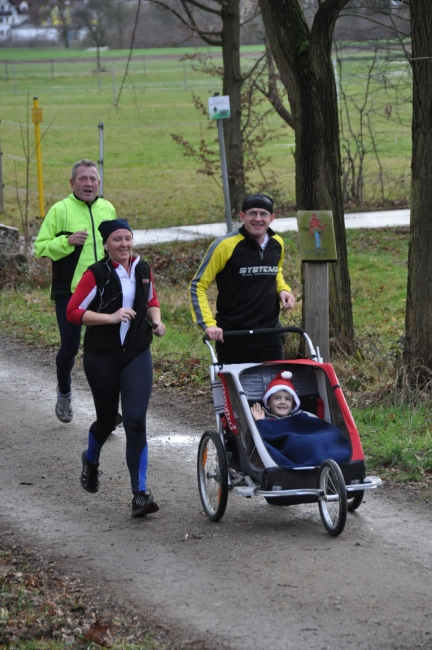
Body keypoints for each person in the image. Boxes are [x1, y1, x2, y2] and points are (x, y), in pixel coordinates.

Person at [66, 219, 166, 518]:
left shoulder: (142, 268)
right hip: (102, 356)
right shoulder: (95, 273)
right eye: (117, 240)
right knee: (107, 420)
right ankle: (91, 458)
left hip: (137, 354)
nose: (124, 244)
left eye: (127, 238)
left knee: (135, 421)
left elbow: (151, 299)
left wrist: (157, 320)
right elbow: (73, 312)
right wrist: (110, 317)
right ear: (106, 245)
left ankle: (140, 494)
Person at [34, 159, 116, 424]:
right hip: (70, 292)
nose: (88, 183)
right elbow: (40, 247)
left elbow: (116, 245)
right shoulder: (60, 210)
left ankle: (108, 410)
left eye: (93, 179)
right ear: (72, 183)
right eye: (83, 179)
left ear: (99, 183)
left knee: (107, 351)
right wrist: (65, 242)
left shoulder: (107, 208)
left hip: (103, 289)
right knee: (70, 348)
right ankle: (64, 390)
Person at [189, 193, 295, 364]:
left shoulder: (277, 243)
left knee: (275, 389)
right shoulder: (224, 246)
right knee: (236, 390)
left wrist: (283, 289)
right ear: (242, 216)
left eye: (263, 214)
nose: (258, 219)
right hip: (233, 335)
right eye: (252, 213)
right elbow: (198, 286)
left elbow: (276, 271)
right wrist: (209, 324)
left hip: (269, 334)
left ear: (272, 218)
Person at [250, 372, 351, 468]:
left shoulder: (304, 416)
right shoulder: (265, 419)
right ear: (268, 403)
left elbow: (319, 429)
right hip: (293, 445)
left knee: (330, 435)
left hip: (311, 439)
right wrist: (260, 423)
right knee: (302, 443)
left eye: (288, 399)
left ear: (293, 404)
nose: (282, 402)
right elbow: (264, 440)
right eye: (277, 398)